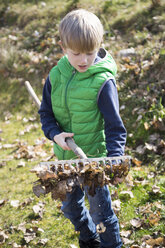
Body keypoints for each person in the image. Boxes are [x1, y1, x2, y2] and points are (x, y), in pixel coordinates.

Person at [38, 9, 126, 248]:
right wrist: (55, 135)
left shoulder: (103, 82)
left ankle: (112, 245)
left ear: (99, 46)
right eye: (76, 53)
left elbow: (115, 127)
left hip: (93, 162)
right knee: (70, 208)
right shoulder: (55, 76)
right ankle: (89, 238)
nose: (84, 60)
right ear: (63, 47)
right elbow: (45, 114)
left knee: (101, 214)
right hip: (65, 161)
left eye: (90, 52)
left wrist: (114, 162)